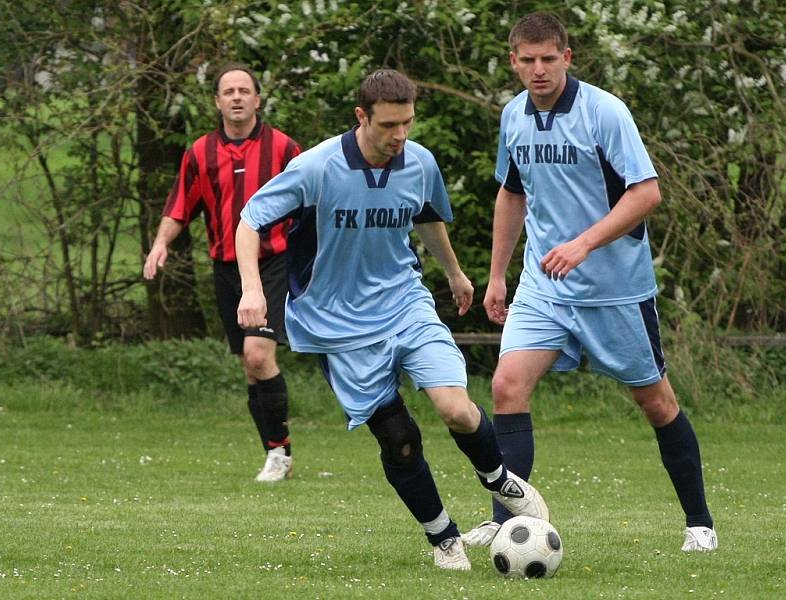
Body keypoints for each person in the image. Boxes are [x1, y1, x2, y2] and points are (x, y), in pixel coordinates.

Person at [235, 69, 550, 570]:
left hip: (405, 304)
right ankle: (443, 537)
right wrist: (253, 289)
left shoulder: (420, 162)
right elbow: (250, 220)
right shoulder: (317, 167)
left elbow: (426, 216)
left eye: (407, 122)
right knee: (400, 441)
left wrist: (454, 273)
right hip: (337, 327)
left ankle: (500, 480)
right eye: (388, 125)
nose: (400, 135)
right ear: (361, 117)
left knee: (458, 409)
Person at [462, 12, 718, 553]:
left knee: (656, 403)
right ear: (513, 61)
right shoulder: (514, 116)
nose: (538, 70)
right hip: (544, 286)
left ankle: (700, 523)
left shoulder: (605, 112)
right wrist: (498, 274)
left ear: (567, 58)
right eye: (527, 60)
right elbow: (511, 194)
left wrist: (584, 244)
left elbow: (646, 193)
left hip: (614, 289)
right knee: (507, 387)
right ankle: (505, 522)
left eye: (548, 59)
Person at [143, 64, 301, 483]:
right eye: (228, 91)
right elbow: (180, 207)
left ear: (257, 99)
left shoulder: (285, 149)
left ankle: (279, 454)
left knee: (258, 354)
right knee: (249, 366)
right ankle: (275, 449)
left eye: (244, 90)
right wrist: (160, 244)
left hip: (273, 263)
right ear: (217, 101)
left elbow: (310, 204)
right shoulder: (199, 153)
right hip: (226, 268)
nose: (236, 97)